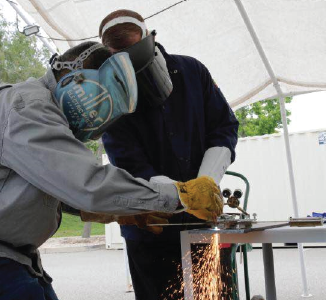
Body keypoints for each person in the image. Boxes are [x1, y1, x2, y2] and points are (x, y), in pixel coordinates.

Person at [0, 41, 223, 300]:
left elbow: (57, 190)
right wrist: (179, 194)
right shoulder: (27, 106)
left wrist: (119, 213)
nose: (101, 121)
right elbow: (88, 185)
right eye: (103, 105)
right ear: (78, 79)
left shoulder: (38, 112)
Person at [99, 10, 240, 300]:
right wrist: (180, 195)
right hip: (151, 229)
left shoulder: (192, 71)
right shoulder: (111, 95)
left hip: (203, 223)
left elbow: (224, 127)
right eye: (120, 58)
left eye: (135, 54)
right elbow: (127, 160)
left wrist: (205, 184)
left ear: (151, 39)